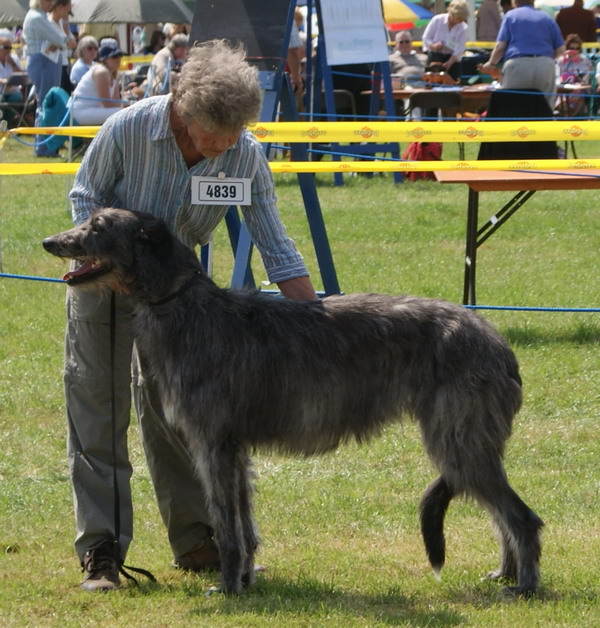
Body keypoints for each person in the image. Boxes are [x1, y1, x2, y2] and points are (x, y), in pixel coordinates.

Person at [65, 38, 317, 592]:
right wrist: (113, 263)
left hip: (182, 309)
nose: (224, 145)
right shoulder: (128, 129)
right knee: (99, 417)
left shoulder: (243, 153)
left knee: (180, 418)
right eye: (213, 135)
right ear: (181, 108)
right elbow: (84, 199)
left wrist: (320, 320)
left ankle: (199, 539)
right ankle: (102, 553)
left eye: (234, 135)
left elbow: (275, 244)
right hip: (106, 287)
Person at [480, 0, 565, 106]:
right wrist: (545, 60)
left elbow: (500, 46)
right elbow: (561, 50)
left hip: (518, 65)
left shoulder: (510, 16)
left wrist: (491, 64)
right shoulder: (547, 18)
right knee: (545, 110)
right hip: (545, 65)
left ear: (514, 2)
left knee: (515, 108)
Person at [22, 0, 68, 156]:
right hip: (43, 62)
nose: (51, 3)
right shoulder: (37, 17)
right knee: (46, 105)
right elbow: (61, 39)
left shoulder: (36, 16)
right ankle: (44, 147)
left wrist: (60, 42)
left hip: (41, 61)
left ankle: (45, 145)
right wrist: (61, 42)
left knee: (44, 104)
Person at [70, 38, 126, 125]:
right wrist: (126, 105)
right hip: (79, 111)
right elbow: (107, 103)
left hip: (93, 109)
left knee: (125, 111)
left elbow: (116, 101)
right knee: (122, 112)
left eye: (120, 55)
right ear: (105, 59)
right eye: (114, 56)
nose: (118, 59)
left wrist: (129, 104)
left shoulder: (114, 75)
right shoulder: (101, 72)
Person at [422, 0, 470, 82]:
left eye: (463, 18)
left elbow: (459, 49)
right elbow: (426, 38)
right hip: (434, 57)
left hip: (452, 60)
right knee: (431, 85)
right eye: (459, 17)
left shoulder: (463, 28)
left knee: (453, 86)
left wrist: (449, 63)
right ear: (452, 13)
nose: (461, 20)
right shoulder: (437, 20)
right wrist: (433, 45)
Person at [556, 33, 593, 115]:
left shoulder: (584, 61)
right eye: (571, 48)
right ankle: (562, 109)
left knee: (578, 93)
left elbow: (585, 79)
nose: (574, 51)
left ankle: (566, 112)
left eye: (577, 48)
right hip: (562, 88)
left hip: (580, 88)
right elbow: (557, 76)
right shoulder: (561, 61)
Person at [48, 0, 76, 94]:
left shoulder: (61, 24)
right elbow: (51, 47)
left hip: (64, 66)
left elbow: (73, 43)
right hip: (53, 66)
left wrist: (65, 24)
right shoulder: (48, 24)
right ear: (60, 7)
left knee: (67, 97)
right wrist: (64, 43)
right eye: (67, 12)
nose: (67, 16)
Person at [0, 33, 24, 127]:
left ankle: (7, 124)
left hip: (12, 90)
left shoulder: (14, 58)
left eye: (10, 48)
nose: (9, 50)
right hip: (1, 90)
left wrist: (13, 64)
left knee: (17, 97)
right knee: (0, 100)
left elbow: (21, 75)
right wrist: (3, 81)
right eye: (6, 48)